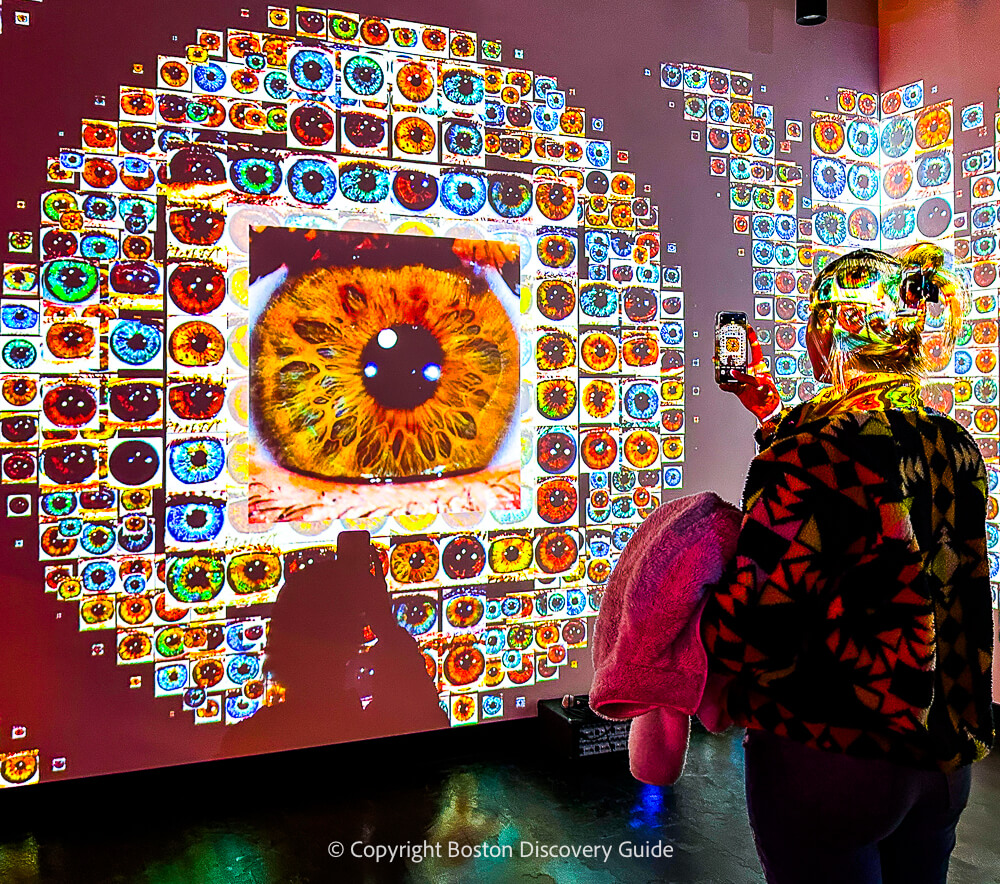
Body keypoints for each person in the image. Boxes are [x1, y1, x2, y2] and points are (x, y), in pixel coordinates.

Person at [700, 243, 995, 884]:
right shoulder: (952, 444)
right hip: (940, 760)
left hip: (832, 759)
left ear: (824, 333)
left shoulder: (813, 453)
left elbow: (755, 627)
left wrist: (684, 606)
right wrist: (768, 410)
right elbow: (868, 494)